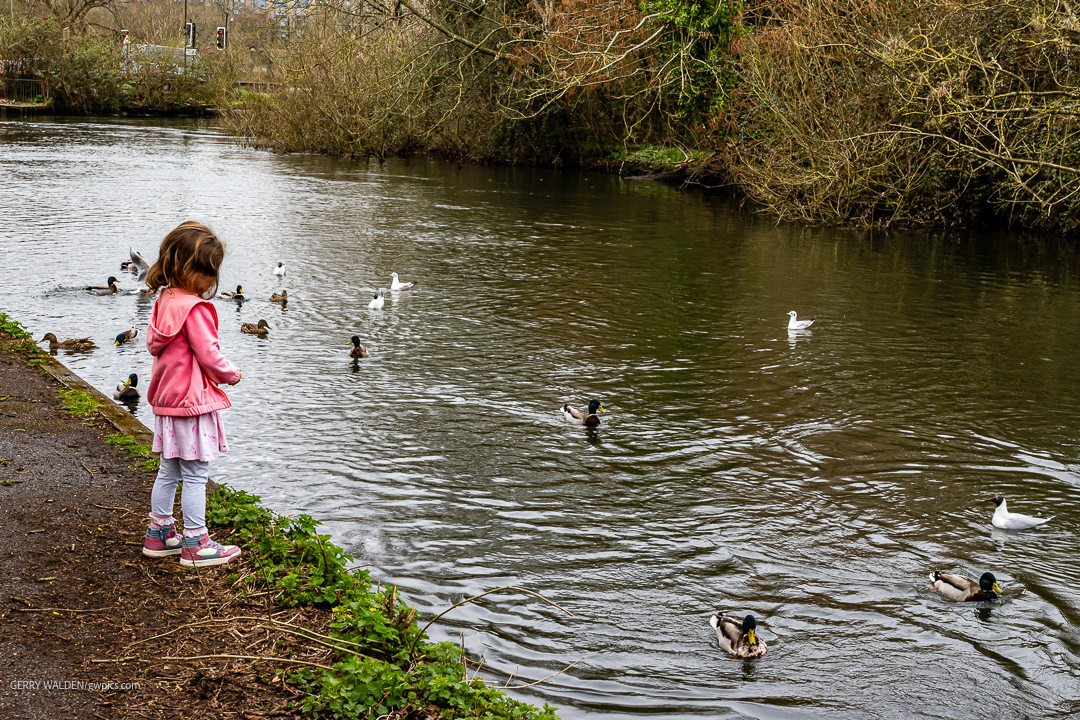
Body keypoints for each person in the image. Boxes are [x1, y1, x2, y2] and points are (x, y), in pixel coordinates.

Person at [140, 221, 243, 567]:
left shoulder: (165, 299)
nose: (213, 280)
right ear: (190, 269)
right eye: (210, 272)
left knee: (169, 471)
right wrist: (231, 374)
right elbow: (209, 355)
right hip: (192, 404)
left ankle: (159, 534)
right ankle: (197, 542)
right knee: (197, 474)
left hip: (167, 401)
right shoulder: (194, 308)